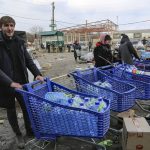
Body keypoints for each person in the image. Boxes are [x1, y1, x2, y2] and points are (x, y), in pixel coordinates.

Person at [0, 16, 44, 148]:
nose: (9, 28)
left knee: (26, 106)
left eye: (12, 25)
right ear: (1, 27)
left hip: (21, 82)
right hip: (5, 84)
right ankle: (18, 134)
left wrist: (37, 74)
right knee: (11, 109)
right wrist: (9, 83)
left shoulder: (19, 42)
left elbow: (28, 60)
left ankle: (30, 130)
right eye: (6, 25)